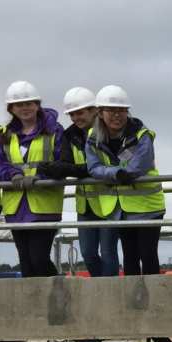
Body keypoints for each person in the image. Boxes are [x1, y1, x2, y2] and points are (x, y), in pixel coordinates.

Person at [85, 85, 163, 276]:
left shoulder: (141, 135)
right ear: (100, 113)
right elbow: (93, 168)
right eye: (111, 111)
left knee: (148, 254)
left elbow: (138, 166)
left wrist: (117, 173)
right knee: (130, 256)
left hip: (147, 207)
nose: (116, 115)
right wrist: (116, 173)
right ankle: (133, 302)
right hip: (121, 209)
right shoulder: (93, 138)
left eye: (121, 110)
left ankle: (154, 299)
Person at [41, 87, 118, 277]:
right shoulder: (69, 136)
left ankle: (109, 293)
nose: (76, 118)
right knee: (88, 254)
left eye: (80, 112)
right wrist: (57, 169)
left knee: (108, 253)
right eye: (72, 114)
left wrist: (66, 169)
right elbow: (69, 164)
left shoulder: (108, 132)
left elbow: (103, 166)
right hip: (85, 206)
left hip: (110, 203)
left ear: (94, 111)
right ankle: (101, 290)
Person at [0, 81, 64, 277]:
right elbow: (0, 163)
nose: (25, 108)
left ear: (37, 104)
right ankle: (35, 305)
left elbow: (61, 161)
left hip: (44, 205)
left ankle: (62, 291)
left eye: (29, 103)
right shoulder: (4, 135)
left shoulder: (55, 130)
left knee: (39, 259)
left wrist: (39, 177)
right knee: (26, 263)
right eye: (19, 104)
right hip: (16, 207)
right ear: (11, 108)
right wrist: (13, 174)